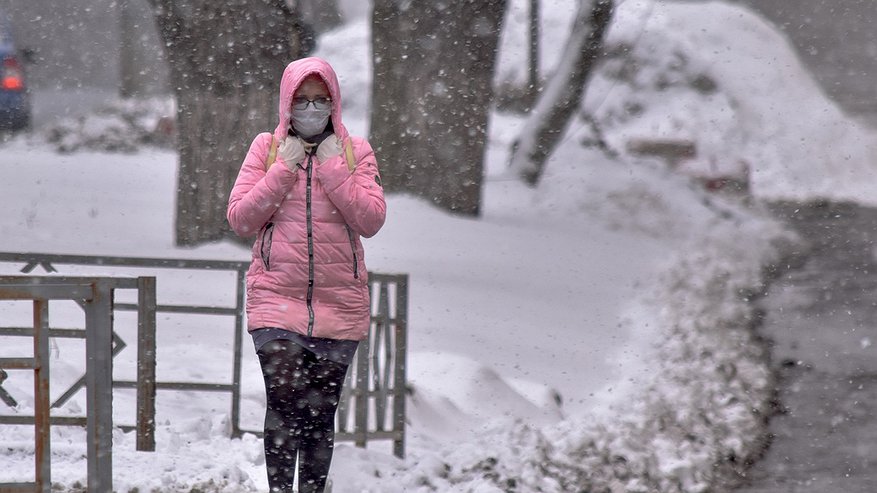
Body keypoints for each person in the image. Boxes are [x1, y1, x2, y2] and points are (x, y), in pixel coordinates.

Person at [227, 57, 386, 493]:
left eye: (321, 100)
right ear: (287, 102)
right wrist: (284, 169)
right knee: (284, 396)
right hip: (276, 299)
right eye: (302, 100)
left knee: (319, 413)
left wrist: (335, 168)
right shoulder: (267, 149)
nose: (312, 109)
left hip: (339, 304)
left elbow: (371, 220)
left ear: (334, 103)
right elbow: (241, 217)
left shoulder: (357, 151)